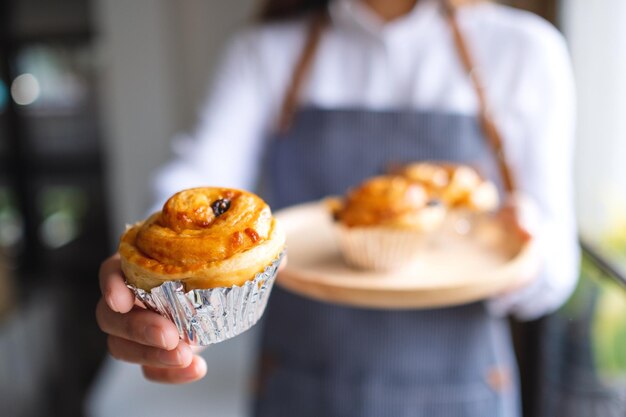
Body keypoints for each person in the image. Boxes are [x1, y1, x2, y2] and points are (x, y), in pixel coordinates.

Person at [96, 0, 579, 415]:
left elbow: (559, 268)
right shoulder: (267, 50)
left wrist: (524, 248)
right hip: (298, 389)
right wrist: (155, 275)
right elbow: (197, 174)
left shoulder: (524, 51)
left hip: (464, 392)